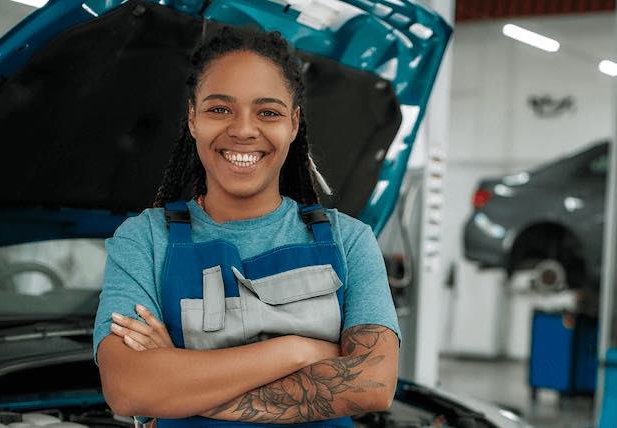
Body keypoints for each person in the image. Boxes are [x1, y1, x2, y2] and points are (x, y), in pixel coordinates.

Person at [93, 25, 399, 427]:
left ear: (292, 124)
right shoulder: (145, 239)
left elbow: (373, 384)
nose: (242, 130)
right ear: (192, 119)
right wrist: (299, 351)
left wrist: (177, 384)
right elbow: (129, 389)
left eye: (267, 112)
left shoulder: (350, 240)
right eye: (219, 109)